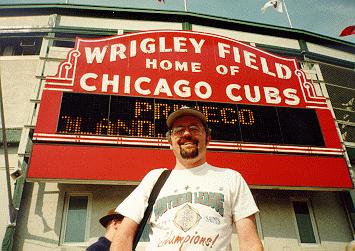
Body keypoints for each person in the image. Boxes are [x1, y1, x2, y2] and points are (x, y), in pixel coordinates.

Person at [111, 106, 263, 251]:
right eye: (178, 130)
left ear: (208, 138)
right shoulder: (154, 179)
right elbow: (123, 237)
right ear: (170, 142)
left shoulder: (231, 178)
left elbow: (250, 244)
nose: (186, 134)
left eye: (194, 128)